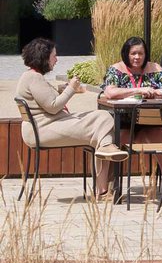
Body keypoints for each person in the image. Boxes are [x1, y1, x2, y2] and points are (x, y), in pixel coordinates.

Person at [16, 38, 127, 197]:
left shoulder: (31, 76)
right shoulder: (33, 78)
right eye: (54, 56)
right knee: (104, 119)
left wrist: (64, 90)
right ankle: (103, 184)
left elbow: (46, 101)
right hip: (43, 129)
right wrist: (71, 89)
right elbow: (53, 107)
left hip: (44, 126)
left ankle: (104, 163)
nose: (56, 59)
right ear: (43, 57)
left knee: (102, 124)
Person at [101, 36, 162, 101]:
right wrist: (139, 90)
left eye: (140, 53)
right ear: (126, 54)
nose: (137, 57)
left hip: (152, 109)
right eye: (133, 53)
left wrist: (155, 92)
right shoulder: (116, 70)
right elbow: (110, 93)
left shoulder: (156, 68)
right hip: (124, 109)